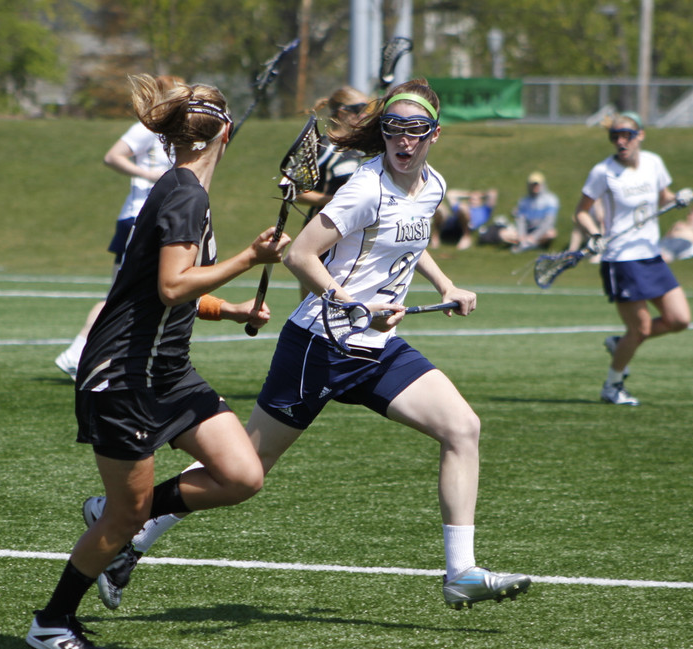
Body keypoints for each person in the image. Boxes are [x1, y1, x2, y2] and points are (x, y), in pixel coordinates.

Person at [81, 79, 531, 615]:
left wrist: (445, 285)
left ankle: (461, 572)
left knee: (462, 427)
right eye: (393, 130)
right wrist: (352, 303)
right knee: (249, 466)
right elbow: (301, 256)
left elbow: (412, 238)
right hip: (319, 343)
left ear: (435, 133)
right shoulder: (365, 187)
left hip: (376, 346)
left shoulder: (432, 184)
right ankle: (127, 529)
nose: (404, 142)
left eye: (415, 131)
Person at [25, 75, 291, 649]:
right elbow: (172, 286)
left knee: (242, 474)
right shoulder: (185, 195)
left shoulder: (182, 187)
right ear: (227, 132)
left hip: (167, 370)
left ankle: (117, 514)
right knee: (126, 520)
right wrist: (252, 257)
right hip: (123, 375)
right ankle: (52, 620)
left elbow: (160, 288)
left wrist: (229, 308)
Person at [53, 75, 185, 380]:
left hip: (154, 218)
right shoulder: (145, 128)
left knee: (134, 294)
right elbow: (112, 156)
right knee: (118, 295)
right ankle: (78, 353)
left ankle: (106, 356)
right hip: (138, 217)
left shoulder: (173, 133)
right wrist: (149, 175)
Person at [573, 112, 693, 406]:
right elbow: (581, 211)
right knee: (639, 329)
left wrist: (678, 198)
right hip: (621, 259)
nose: (620, 141)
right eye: (615, 136)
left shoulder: (654, 163)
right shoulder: (603, 171)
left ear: (640, 135)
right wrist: (594, 234)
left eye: (626, 134)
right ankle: (612, 386)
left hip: (650, 255)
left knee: (680, 319)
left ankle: (620, 345)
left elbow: (663, 196)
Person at [293, 85, 370, 299]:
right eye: (360, 109)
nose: (365, 115)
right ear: (343, 111)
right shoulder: (323, 146)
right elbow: (296, 192)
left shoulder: (362, 148)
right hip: (322, 230)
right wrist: (333, 200)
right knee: (312, 303)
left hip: (356, 234)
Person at [502, 171, 559, 253]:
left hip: (541, 231)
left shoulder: (551, 199)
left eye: (537, 184)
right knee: (505, 234)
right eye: (533, 184)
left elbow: (548, 222)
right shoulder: (524, 201)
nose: (535, 187)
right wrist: (522, 236)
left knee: (551, 234)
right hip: (527, 230)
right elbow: (521, 220)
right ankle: (526, 243)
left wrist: (533, 237)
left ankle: (531, 244)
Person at [431, 188, 497, 250]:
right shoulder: (465, 206)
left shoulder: (485, 210)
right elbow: (450, 194)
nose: (473, 200)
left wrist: (481, 194)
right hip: (453, 223)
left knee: (463, 207)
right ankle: (436, 235)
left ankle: (466, 236)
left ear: (481, 200)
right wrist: (469, 194)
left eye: (476, 199)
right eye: (471, 199)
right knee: (439, 207)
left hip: (468, 225)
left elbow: (493, 193)